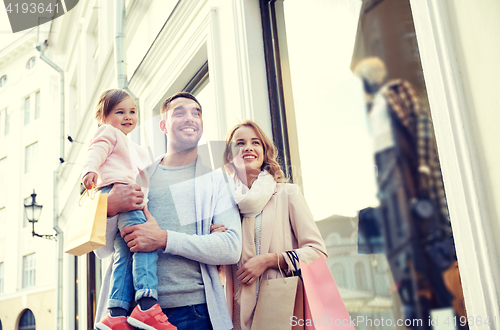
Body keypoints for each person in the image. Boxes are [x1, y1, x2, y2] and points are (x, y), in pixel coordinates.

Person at [94, 92, 242, 330]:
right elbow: (103, 250)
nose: (190, 118)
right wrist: (109, 208)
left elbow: (231, 248)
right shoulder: (137, 175)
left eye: (196, 113)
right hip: (134, 315)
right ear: (163, 125)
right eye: (179, 112)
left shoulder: (217, 181)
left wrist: (163, 239)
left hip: (196, 311)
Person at [215, 120, 328, 330]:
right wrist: (216, 241)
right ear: (230, 156)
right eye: (240, 143)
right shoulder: (223, 205)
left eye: (255, 142)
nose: (248, 147)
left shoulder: (288, 194)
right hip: (236, 315)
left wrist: (269, 260)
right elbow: (222, 272)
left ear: (264, 152)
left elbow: (317, 252)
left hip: (280, 307)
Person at [82, 89, 175, 330]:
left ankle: (116, 312)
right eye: (120, 112)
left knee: (125, 251)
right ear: (103, 116)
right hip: (116, 190)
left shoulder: (141, 150)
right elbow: (96, 150)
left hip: (134, 199)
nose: (128, 116)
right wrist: (90, 169)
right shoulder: (109, 132)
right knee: (144, 244)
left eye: (132, 111)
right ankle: (146, 304)